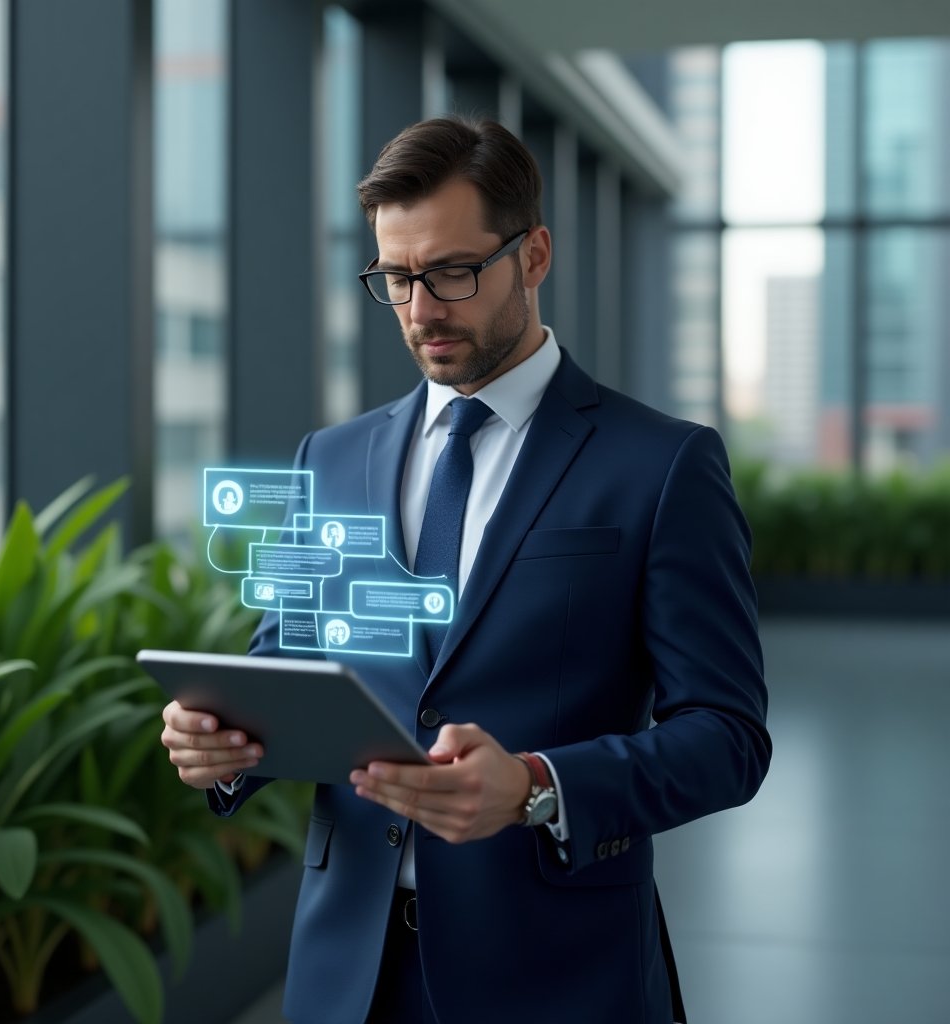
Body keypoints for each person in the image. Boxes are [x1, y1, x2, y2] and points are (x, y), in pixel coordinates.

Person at [161, 116, 771, 1024]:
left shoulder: (663, 465)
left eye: (450, 272)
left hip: (559, 974)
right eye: (395, 278)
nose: (420, 309)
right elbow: (285, 662)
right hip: (347, 973)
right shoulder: (327, 458)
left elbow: (728, 737)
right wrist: (224, 749)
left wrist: (534, 784)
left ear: (533, 256)